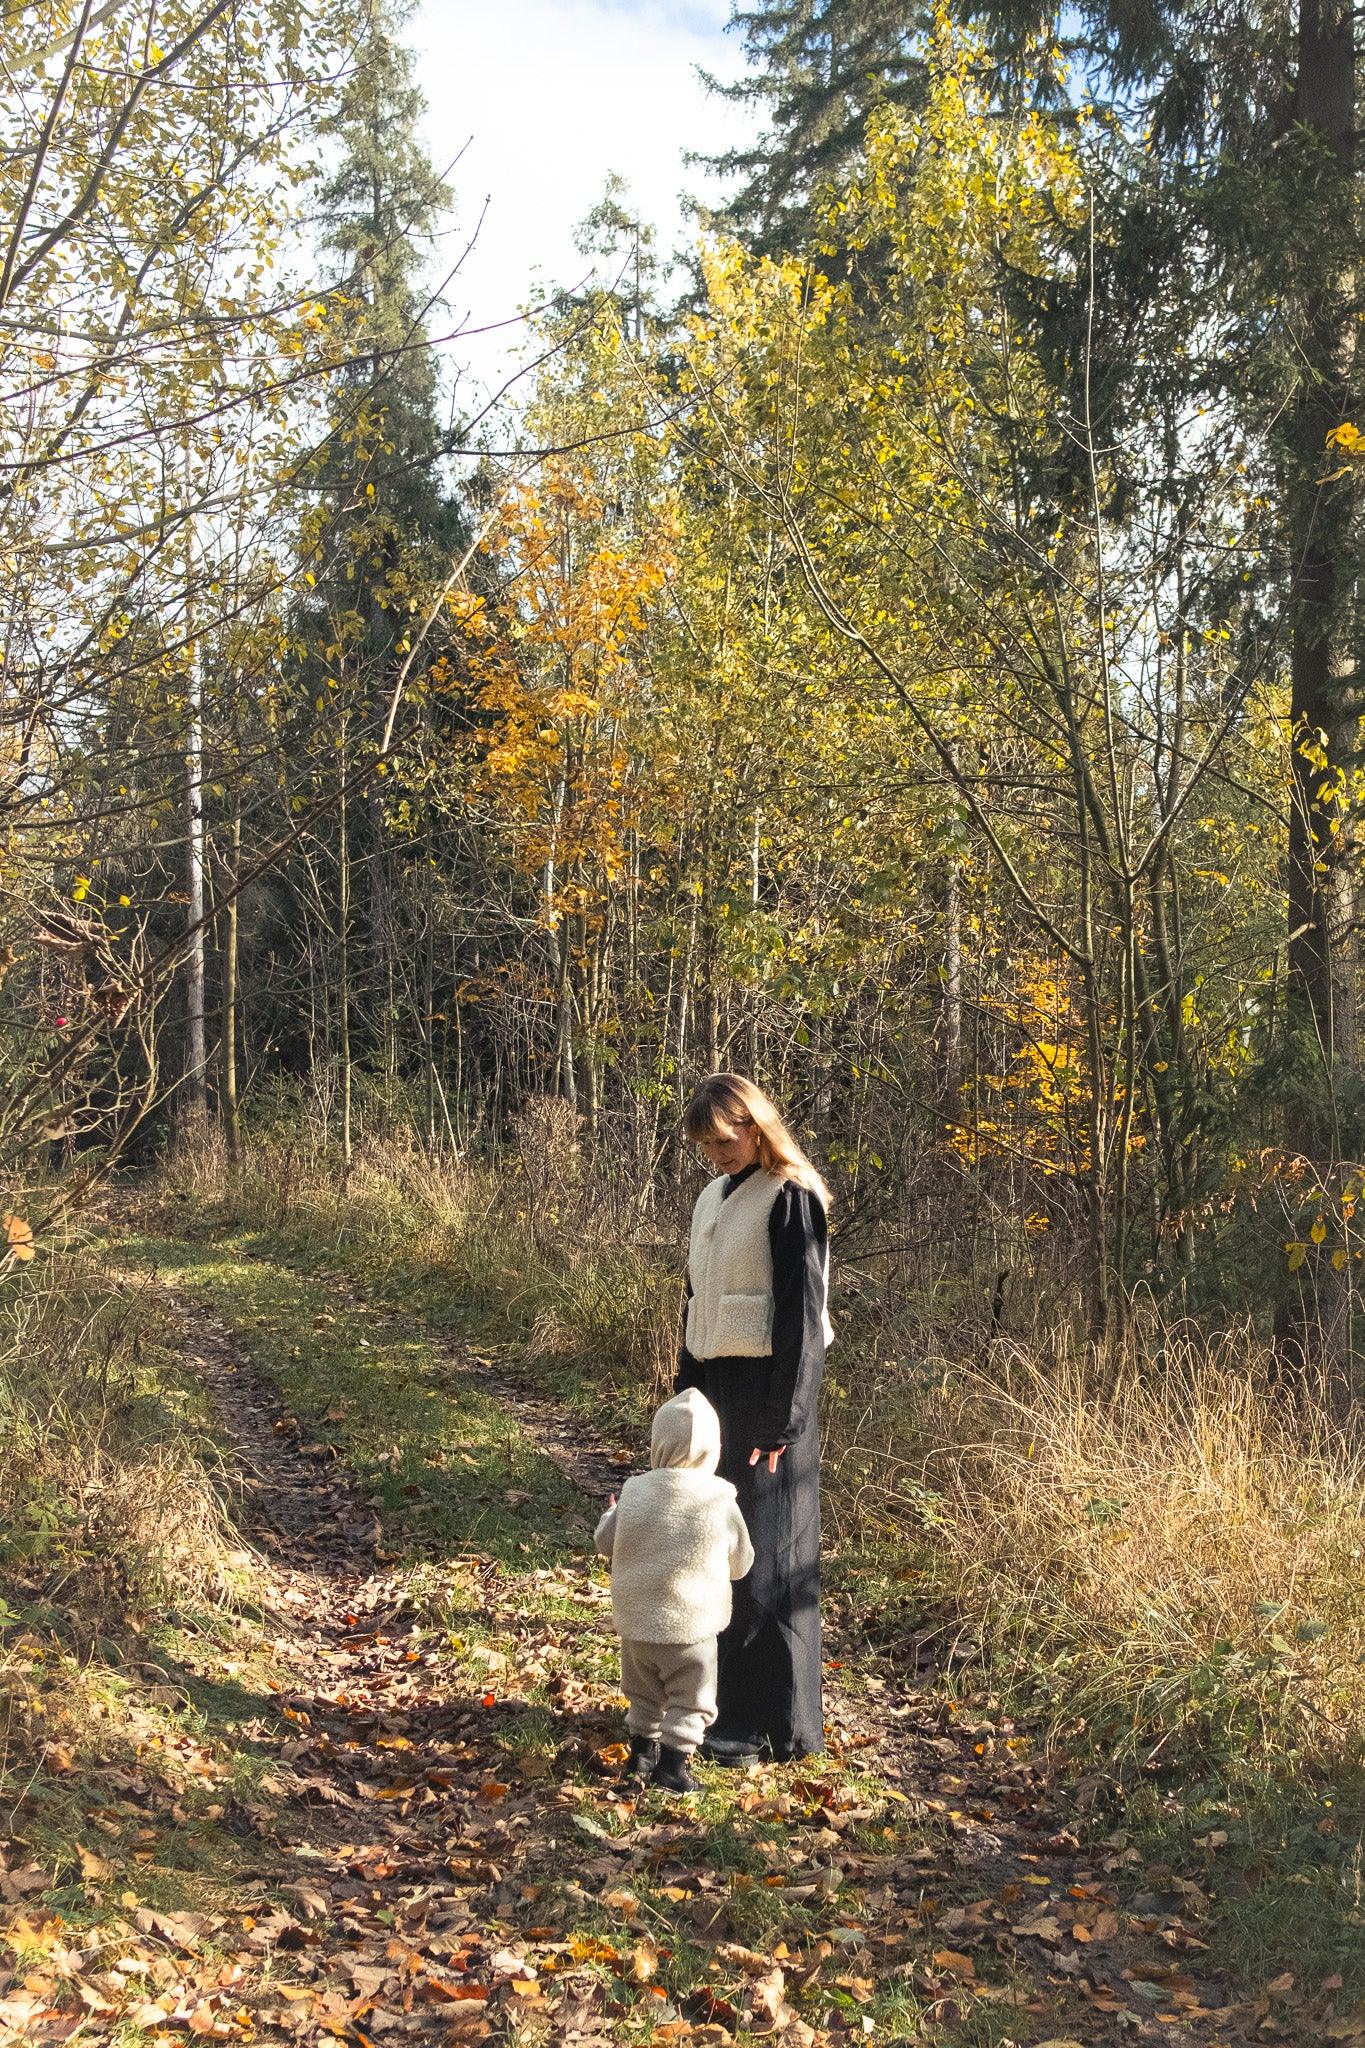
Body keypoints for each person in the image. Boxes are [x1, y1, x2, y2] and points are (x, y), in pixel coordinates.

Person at [675, 1072, 831, 1765]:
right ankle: (728, 1709)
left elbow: (802, 1316)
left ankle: (776, 1727)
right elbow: (695, 1301)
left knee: (769, 1556)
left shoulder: (792, 1197)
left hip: (771, 1392)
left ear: (753, 1123)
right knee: (722, 1552)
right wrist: (684, 1397)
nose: (716, 1154)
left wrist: (783, 1420)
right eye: (705, 1146)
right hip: (716, 1389)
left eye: (723, 1139)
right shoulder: (713, 1196)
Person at [594, 1386, 755, 1792]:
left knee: (644, 1696)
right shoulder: (720, 1499)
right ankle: (673, 1770)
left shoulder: (634, 1491)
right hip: (692, 1630)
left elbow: (604, 1544)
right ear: (714, 1449)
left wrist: (611, 1513)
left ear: (656, 1443)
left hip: (637, 1626)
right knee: (690, 1701)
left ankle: (641, 1758)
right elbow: (742, 1562)